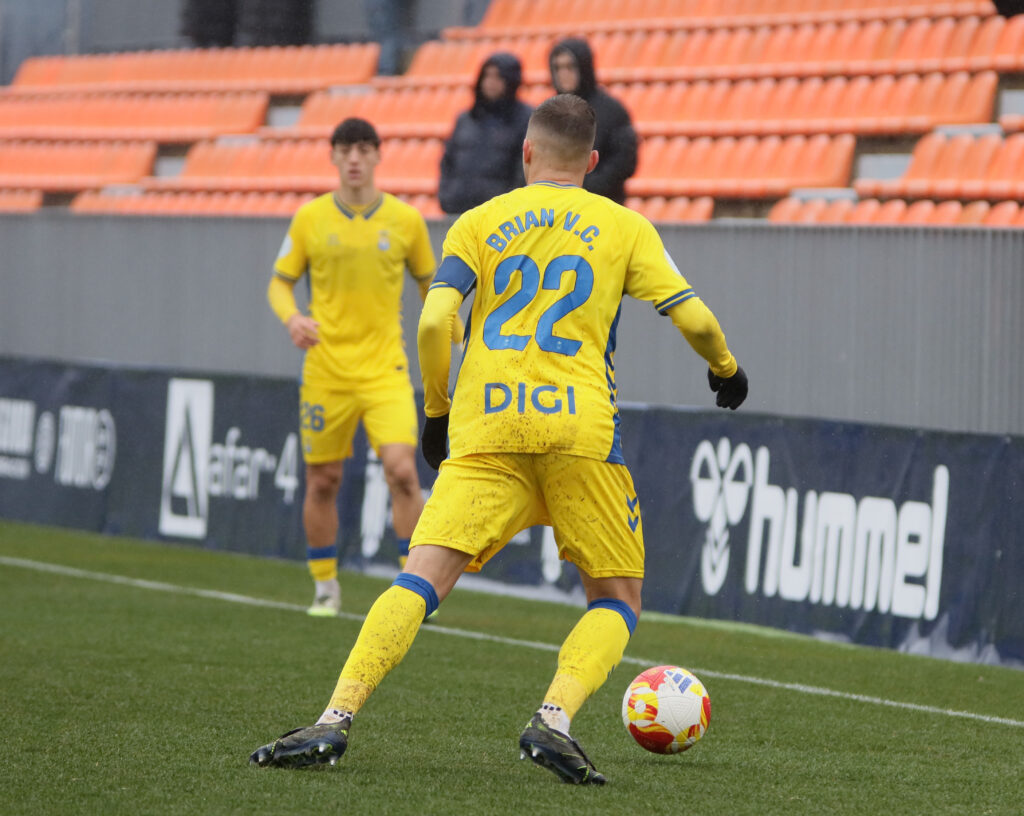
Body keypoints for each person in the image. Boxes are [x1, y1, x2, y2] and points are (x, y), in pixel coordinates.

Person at [250, 95, 748, 783]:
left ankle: (334, 721)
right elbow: (693, 318)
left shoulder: (479, 222)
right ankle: (553, 718)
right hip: (581, 432)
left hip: (487, 428)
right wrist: (725, 369)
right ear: (594, 163)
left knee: (419, 578)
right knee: (616, 598)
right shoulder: (624, 227)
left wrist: (435, 412)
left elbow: (433, 324)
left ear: (526, 154)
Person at [267, 117, 457, 616]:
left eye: (363, 149)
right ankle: (326, 586)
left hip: (384, 370)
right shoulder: (310, 219)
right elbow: (279, 283)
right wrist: (292, 319)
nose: (354, 158)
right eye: (345, 149)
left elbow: (431, 285)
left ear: (377, 156)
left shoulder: (405, 221)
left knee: (400, 471)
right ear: (333, 156)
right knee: (324, 479)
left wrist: (453, 326)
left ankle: (412, 589)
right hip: (326, 370)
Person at [438, 52, 533, 215]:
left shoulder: (526, 119)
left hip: (501, 216)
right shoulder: (466, 119)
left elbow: (524, 169)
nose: (490, 82)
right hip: (459, 212)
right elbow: (448, 162)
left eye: (498, 77)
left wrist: (507, 205)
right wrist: (447, 196)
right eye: (487, 75)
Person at [548, 37, 637, 204]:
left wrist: (582, 187)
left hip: (601, 206)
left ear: (584, 67)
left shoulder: (612, 111)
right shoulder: (548, 112)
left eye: (569, 67)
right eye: (557, 67)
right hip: (556, 208)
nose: (563, 74)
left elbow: (624, 161)